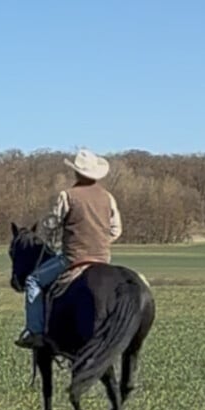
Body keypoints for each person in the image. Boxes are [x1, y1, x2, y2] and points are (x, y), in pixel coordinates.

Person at [15, 148, 122, 349]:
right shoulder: (108, 197)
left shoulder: (67, 195)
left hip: (73, 258)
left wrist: (45, 237)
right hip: (102, 258)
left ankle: (34, 332)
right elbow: (116, 230)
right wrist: (99, 241)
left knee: (33, 281)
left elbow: (51, 223)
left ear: (76, 173)